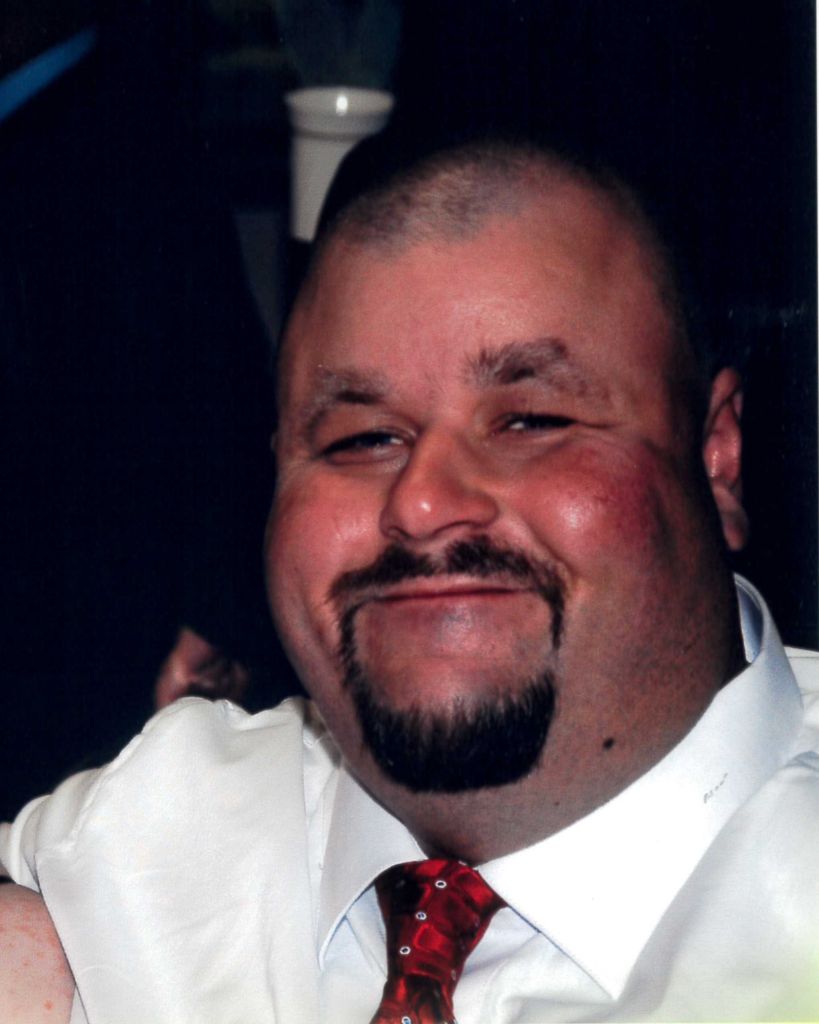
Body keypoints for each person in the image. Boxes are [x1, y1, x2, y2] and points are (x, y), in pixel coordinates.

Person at [1, 137, 818, 1022]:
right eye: (362, 439)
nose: (422, 501)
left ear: (716, 456)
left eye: (529, 420)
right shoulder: (135, 851)